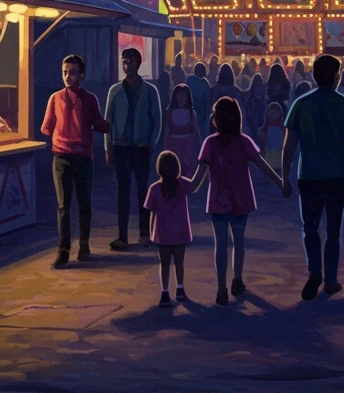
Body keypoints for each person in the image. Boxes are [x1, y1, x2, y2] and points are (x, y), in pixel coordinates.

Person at [281, 53, 344, 300]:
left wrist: (284, 177)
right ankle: (331, 280)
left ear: (314, 76)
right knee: (333, 233)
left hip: (308, 175)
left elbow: (289, 145)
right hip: (337, 175)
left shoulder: (301, 104)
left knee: (310, 228)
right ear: (337, 77)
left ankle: (314, 269)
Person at [190, 96, 283, 304]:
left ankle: (221, 287)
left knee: (220, 245)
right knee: (238, 243)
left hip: (217, 200)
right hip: (241, 199)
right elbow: (262, 165)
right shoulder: (244, 141)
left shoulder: (210, 143)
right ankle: (237, 280)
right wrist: (280, 182)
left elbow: (198, 177)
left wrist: (181, 186)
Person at [41, 54, 109, 269]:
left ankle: (84, 245)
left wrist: (103, 124)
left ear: (82, 75)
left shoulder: (90, 99)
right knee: (63, 206)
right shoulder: (55, 98)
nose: (67, 77)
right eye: (65, 72)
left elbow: (99, 122)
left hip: (83, 158)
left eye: (72, 73)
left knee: (83, 203)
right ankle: (64, 249)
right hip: (61, 156)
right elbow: (47, 127)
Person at [104, 48, 162, 250]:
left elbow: (157, 119)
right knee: (123, 192)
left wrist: (151, 144)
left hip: (141, 147)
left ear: (138, 63)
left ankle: (144, 232)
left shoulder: (149, 90)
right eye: (124, 61)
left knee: (143, 191)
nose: (126, 65)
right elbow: (108, 121)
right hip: (120, 147)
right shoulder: (115, 91)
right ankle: (122, 235)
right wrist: (108, 148)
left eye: (130, 61)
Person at [145, 150, 194, 305]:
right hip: (180, 231)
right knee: (179, 262)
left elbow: (150, 209)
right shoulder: (183, 184)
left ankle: (165, 292)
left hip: (162, 233)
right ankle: (180, 289)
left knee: (164, 263)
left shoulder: (154, 188)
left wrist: (149, 233)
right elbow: (196, 184)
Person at [164, 84, 201, 177]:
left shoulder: (191, 112)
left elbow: (196, 131)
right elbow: (166, 131)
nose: (181, 98)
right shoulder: (169, 111)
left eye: (184, 96)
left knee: (187, 172)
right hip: (173, 146)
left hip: (188, 147)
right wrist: (164, 148)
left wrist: (200, 148)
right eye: (179, 95)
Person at [186, 61, 213, 137]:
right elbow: (208, 100)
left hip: (189, 111)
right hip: (201, 113)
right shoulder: (205, 84)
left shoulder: (188, 81)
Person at [260, 100, 286, 170]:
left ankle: (278, 166)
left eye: (275, 113)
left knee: (278, 156)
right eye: (271, 113)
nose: (273, 115)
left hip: (279, 147)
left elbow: (285, 134)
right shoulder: (267, 125)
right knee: (269, 156)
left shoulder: (282, 126)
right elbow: (261, 132)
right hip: (268, 146)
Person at [244, 73, 267, 140]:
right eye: (256, 85)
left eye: (259, 85)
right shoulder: (249, 101)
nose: (258, 88)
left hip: (262, 131)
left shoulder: (265, 100)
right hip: (251, 130)